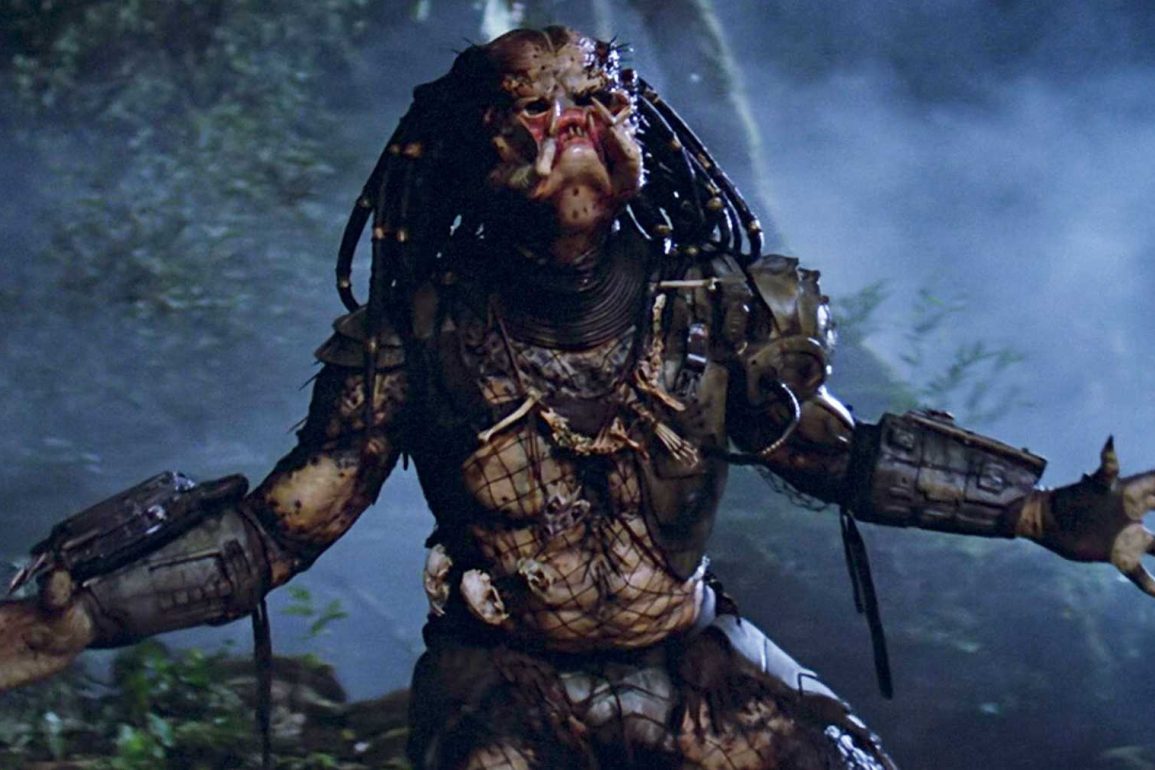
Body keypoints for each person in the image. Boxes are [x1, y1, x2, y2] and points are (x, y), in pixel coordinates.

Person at [2, 26, 1153, 770]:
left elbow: (838, 457)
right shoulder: (414, 337)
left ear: (641, 135)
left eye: (598, 102)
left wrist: (1042, 513)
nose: (572, 131)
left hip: (693, 653)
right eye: (534, 110)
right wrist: (86, 616)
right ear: (470, 149)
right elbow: (277, 529)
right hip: (501, 677)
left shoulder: (719, 313)